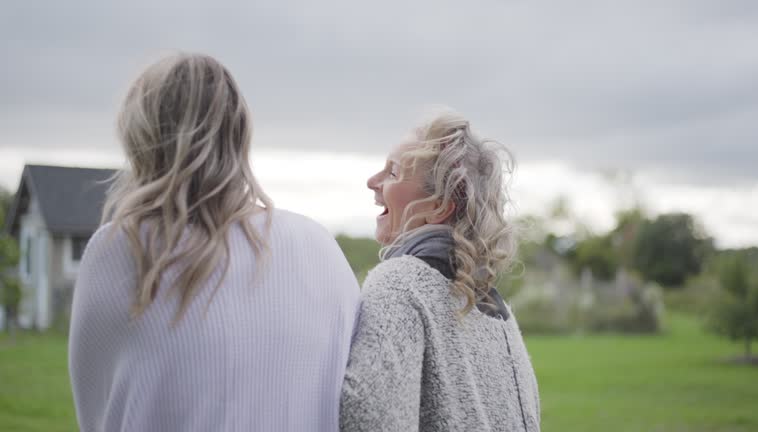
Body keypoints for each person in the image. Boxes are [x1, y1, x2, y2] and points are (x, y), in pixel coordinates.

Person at [68, 53, 360, 432]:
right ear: (239, 132)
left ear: (141, 137)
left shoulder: (124, 250)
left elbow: (98, 414)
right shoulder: (321, 248)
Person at [341, 111, 540, 432]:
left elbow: (368, 416)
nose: (372, 181)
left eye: (392, 172)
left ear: (438, 206)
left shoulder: (400, 283)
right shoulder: (497, 309)